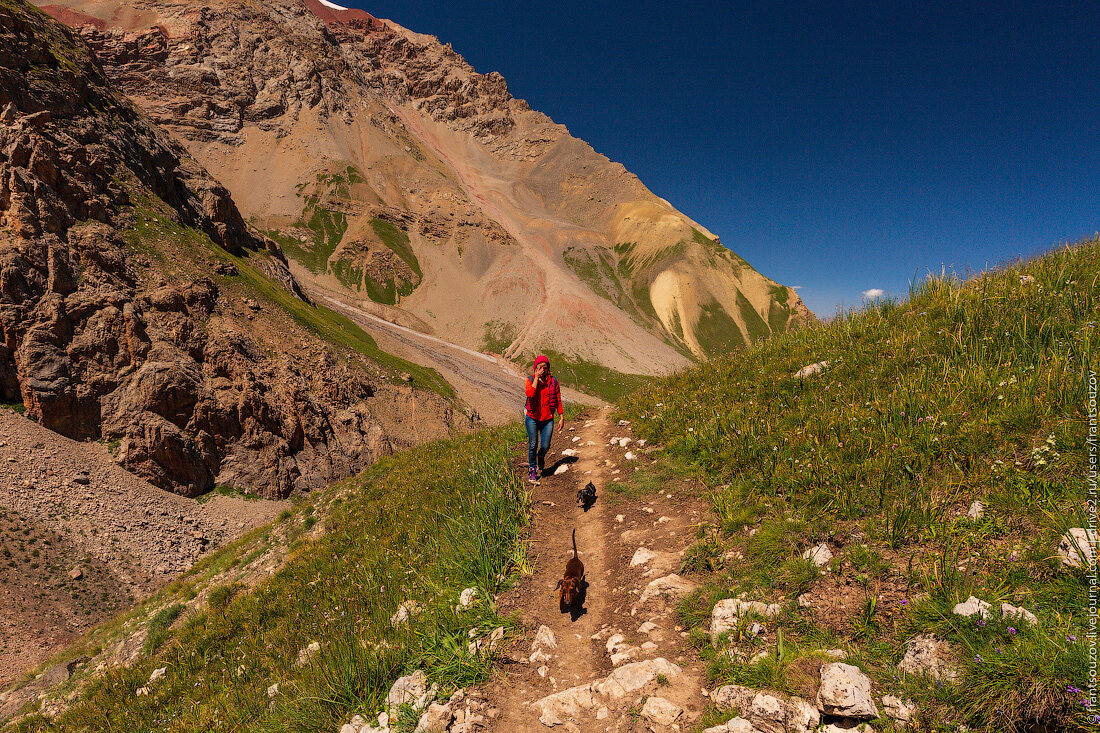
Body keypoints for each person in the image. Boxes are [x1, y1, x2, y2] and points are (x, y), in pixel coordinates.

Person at [525, 355, 564, 482]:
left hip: (547, 418)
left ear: (548, 369)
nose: (542, 370)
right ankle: (532, 469)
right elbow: (530, 394)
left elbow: (557, 398)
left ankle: (541, 455)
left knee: (546, 445)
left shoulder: (553, 381)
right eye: (539, 367)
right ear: (535, 368)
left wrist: (561, 416)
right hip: (532, 418)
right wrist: (536, 379)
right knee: (533, 445)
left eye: (544, 367)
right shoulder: (530, 380)